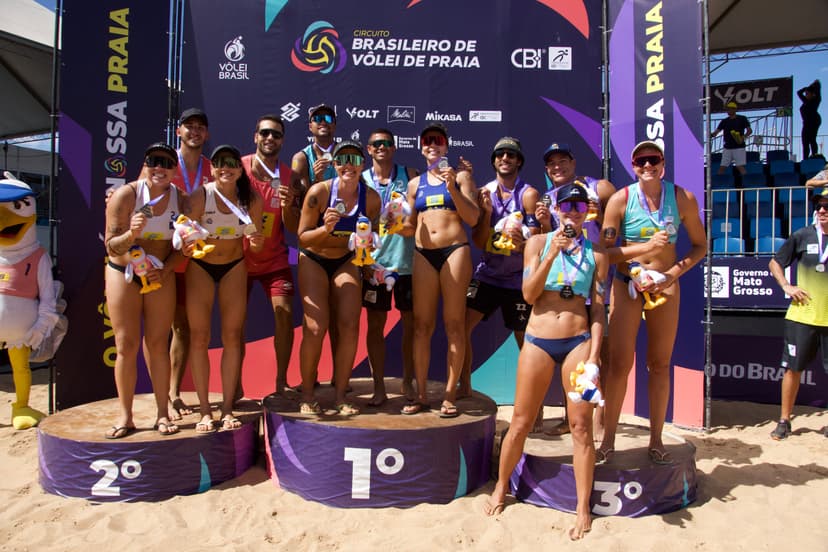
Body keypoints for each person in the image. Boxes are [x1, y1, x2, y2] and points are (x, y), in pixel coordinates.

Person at [483, 183, 608, 541]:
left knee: (581, 427)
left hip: (578, 344)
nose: (572, 212)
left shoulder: (597, 255)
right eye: (566, 206)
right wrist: (552, 253)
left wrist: (595, 356)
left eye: (579, 207)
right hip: (538, 339)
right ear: (555, 209)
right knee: (521, 421)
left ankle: (583, 506)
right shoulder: (537, 243)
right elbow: (528, 294)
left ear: (587, 212)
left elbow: (598, 309)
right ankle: (501, 486)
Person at [597, 141, 707, 465]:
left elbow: (700, 246)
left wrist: (671, 274)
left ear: (663, 164)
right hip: (627, 284)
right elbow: (607, 252)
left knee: (659, 365)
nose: (647, 166)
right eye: (641, 161)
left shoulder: (682, 198)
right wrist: (633, 268)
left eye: (653, 160)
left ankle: (656, 439)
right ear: (633, 166)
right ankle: (608, 441)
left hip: (665, 285)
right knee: (618, 366)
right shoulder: (621, 199)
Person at [103, 143, 188, 438]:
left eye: (166, 162)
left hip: (159, 276)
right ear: (146, 164)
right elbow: (111, 246)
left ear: (175, 170)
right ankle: (125, 416)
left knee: (157, 344)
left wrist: (164, 269)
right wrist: (132, 235)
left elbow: (184, 250)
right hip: (123, 273)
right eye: (154, 161)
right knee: (126, 345)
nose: (160, 168)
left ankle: (163, 414)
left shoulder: (181, 200)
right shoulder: (126, 195)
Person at [534, 142, 615, 434]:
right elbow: (548, 244)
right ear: (546, 169)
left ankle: (600, 420)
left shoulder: (599, 186)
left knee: (597, 346)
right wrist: (544, 224)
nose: (558, 166)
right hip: (569, 277)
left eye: (563, 161)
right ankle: (577, 418)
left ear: (574, 162)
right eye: (552, 163)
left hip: (594, 268)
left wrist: (605, 242)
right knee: (575, 349)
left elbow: (617, 214)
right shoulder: (547, 199)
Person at [296, 139, 381, 416]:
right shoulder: (318, 193)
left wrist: (370, 259)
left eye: (355, 160)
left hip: (345, 261)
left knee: (350, 325)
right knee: (316, 327)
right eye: (343, 159)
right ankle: (307, 393)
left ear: (362, 166)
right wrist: (326, 229)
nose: (349, 165)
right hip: (314, 258)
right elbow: (303, 238)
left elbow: (369, 239)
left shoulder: (371, 199)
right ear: (335, 165)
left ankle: (341, 394)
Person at [186, 145, 264, 433]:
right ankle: (205, 410)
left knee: (232, 336)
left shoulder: (251, 199)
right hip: (201, 268)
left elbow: (257, 241)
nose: (226, 168)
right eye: (220, 162)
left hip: (234, 266)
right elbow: (184, 236)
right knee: (199, 336)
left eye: (232, 163)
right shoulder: (199, 196)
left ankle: (228, 407)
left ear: (240, 169)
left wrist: (256, 242)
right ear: (212, 168)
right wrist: (185, 243)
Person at [402, 123, 478, 416]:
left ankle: (449, 395)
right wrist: (393, 224)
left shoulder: (461, 177)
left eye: (438, 140)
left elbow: (472, 218)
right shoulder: (413, 184)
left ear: (446, 146)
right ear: (421, 147)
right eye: (427, 141)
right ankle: (421, 395)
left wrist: (453, 189)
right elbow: (408, 228)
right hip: (423, 254)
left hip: (454, 251)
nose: (432, 144)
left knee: (454, 324)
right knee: (421, 326)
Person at [462, 137, 539, 399]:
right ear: (494, 160)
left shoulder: (528, 194)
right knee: (461, 328)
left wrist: (522, 242)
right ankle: (464, 387)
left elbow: (536, 242)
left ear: (518, 160)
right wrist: (484, 212)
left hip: (518, 280)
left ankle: (532, 406)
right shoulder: (485, 191)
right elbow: (479, 241)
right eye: (500, 155)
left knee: (526, 342)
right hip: (488, 275)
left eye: (510, 154)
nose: (504, 158)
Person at [361, 129, 419, 405]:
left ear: (394, 148)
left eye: (387, 143)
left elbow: (417, 221)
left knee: (411, 326)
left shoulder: (410, 174)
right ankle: (379, 386)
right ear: (369, 149)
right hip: (375, 266)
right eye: (376, 144)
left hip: (407, 265)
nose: (382, 147)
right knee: (375, 326)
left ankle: (408, 380)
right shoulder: (360, 180)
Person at [241, 114, 296, 395]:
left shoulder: (288, 176)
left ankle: (281, 383)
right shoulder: (238, 169)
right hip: (238, 260)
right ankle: (234, 386)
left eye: (276, 134)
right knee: (234, 322)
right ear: (256, 137)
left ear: (282, 140)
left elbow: (297, 227)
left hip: (274, 260)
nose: (270, 138)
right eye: (265, 133)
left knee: (284, 315)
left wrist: (289, 207)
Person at [767, 187, 828, 440]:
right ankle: (784, 420)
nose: (822, 211)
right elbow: (774, 262)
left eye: (827, 206)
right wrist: (786, 286)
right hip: (803, 317)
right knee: (793, 370)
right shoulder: (803, 235)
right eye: (819, 207)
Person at [169, 108, 213, 419]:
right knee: (168, 329)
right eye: (189, 127)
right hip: (166, 258)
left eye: (200, 127)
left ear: (206, 135)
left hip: (199, 261)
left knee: (188, 330)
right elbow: (139, 195)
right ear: (179, 132)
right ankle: (168, 393)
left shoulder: (214, 168)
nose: (194, 132)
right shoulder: (162, 164)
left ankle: (178, 392)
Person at [290, 104, 338, 217]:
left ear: (334, 125)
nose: (323, 122)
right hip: (314, 222)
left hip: (342, 218)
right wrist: (317, 180)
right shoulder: (301, 158)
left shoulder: (346, 153)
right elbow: (301, 201)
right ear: (310, 126)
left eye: (328, 118)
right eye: (317, 119)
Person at [711, 102, 752, 176]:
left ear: (735, 109)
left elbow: (749, 131)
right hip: (727, 147)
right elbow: (716, 132)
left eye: (730, 109)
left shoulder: (742, 118)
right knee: (722, 167)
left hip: (739, 147)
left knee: (739, 166)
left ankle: (747, 183)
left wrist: (743, 137)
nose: (728, 111)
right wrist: (711, 135)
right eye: (727, 109)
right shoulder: (724, 121)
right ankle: (718, 185)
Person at [798, 80, 822, 160]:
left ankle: (814, 156)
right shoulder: (805, 101)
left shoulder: (815, 100)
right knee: (805, 141)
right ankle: (805, 159)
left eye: (808, 94)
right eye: (806, 94)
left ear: (812, 94)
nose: (806, 95)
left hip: (814, 121)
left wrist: (811, 87)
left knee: (812, 139)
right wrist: (806, 88)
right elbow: (799, 92)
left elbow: (818, 88)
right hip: (806, 123)